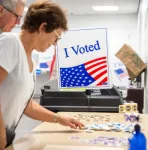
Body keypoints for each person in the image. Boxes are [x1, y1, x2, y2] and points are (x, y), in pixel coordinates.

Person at [0, 0, 84, 149]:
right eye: (56, 37)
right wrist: (0, 135)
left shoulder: (30, 59)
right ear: (43, 27)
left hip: (7, 134)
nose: (54, 44)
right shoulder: (10, 43)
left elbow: (27, 106)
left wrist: (58, 118)